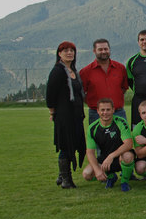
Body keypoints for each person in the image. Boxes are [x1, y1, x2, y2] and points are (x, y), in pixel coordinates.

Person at [46, 41, 86, 189]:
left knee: (75, 144)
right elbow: (50, 94)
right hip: (64, 116)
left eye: (72, 50)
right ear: (59, 53)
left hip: (76, 115)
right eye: (66, 50)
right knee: (65, 145)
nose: (69, 53)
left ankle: (62, 174)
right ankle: (66, 179)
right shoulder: (57, 71)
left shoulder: (74, 71)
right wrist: (52, 112)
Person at [82, 98, 135, 192]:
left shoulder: (121, 122)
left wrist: (111, 156)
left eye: (108, 110)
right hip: (105, 159)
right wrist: (97, 170)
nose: (105, 113)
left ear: (113, 110)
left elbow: (129, 144)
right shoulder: (92, 128)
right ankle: (111, 177)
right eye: (102, 110)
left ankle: (124, 182)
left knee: (127, 156)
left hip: (120, 156)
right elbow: (90, 152)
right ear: (98, 111)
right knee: (87, 174)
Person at [80, 38, 128, 123]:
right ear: (94, 51)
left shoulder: (120, 68)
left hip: (118, 112)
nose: (103, 51)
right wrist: (93, 103)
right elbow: (81, 93)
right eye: (100, 49)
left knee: (123, 136)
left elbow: (124, 88)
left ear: (109, 50)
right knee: (98, 136)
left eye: (106, 49)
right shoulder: (85, 71)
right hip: (96, 113)